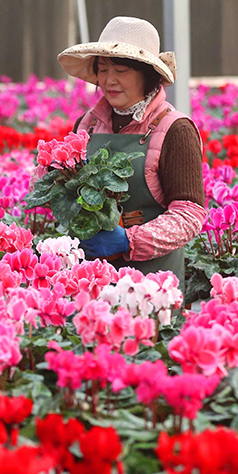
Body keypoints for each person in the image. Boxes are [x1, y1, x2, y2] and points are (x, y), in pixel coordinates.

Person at [57, 16, 206, 285]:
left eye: (121, 70)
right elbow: (60, 189)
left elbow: (189, 214)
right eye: (102, 69)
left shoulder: (175, 129)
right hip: (92, 277)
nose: (109, 80)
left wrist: (129, 240)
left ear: (147, 75)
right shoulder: (87, 124)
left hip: (153, 284)